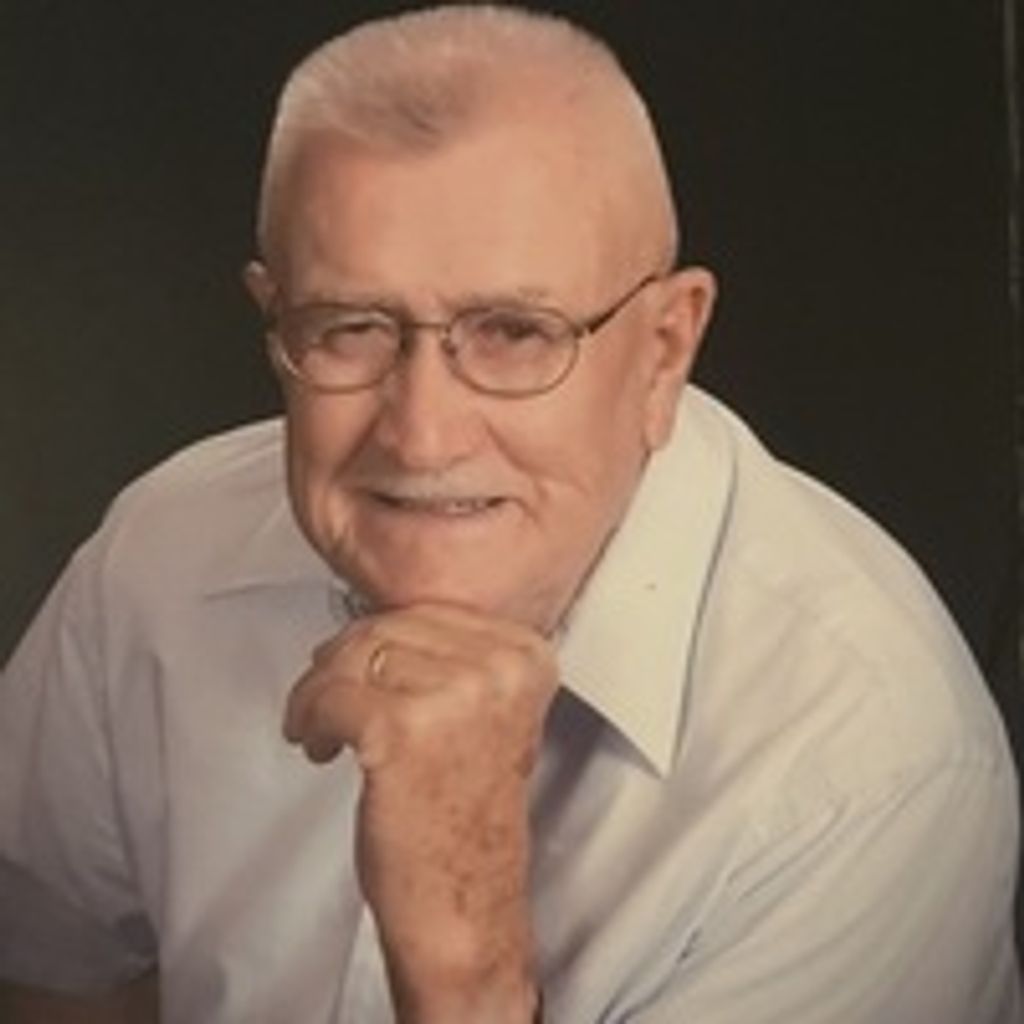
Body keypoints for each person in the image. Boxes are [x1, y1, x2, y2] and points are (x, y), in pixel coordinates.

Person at [0, 5, 1019, 1022]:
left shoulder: (866, 765)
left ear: (664, 349)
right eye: (350, 326)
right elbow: (58, 985)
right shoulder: (159, 559)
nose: (421, 435)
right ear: (275, 322)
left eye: (516, 333)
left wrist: (463, 957)